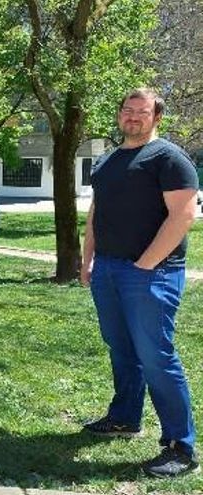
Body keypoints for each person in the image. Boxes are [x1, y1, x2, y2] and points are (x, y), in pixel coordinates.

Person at [80, 88, 199, 477]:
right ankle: (124, 417)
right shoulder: (110, 160)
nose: (132, 117)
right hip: (109, 270)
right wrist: (87, 260)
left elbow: (182, 216)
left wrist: (145, 265)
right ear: (119, 115)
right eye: (127, 110)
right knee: (121, 348)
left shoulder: (169, 158)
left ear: (156, 117)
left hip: (153, 273)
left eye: (141, 112)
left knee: (156, 356)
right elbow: (97, 213)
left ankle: (180, 447)